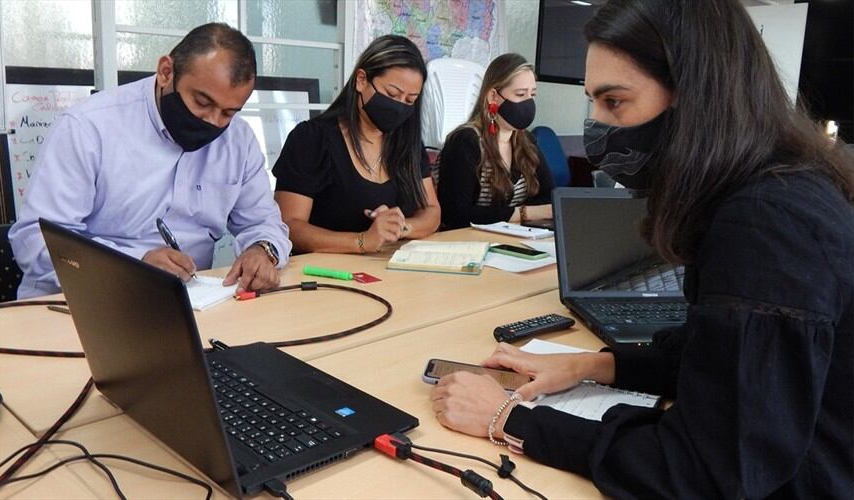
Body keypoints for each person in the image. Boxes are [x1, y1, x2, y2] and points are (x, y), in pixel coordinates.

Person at [430, 1, 854, 498]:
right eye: (592, 101)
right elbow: (725, 356)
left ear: (695, 97)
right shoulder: (776, 185)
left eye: (614, 102)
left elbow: (706, 471)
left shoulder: (767, 224)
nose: (596, 126)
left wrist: (510, 417)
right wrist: (596, 365)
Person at [9, 23, 291, 298]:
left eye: (229, 112)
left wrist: (263, 250)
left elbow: (264, 221)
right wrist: (136, 263)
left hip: (187, 304)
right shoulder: (88, 127)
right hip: (78, 302)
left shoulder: (238, 140)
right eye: (202, 103)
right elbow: (36, 241)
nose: (213, 122)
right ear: (166, 72)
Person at [273, 35, 440, 254]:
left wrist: (399, 227)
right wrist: (362, 241)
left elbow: (432, 211)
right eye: (392, 94)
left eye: (410, 101)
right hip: (327, 274)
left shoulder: (407, 141)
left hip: (393, 272)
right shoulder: (312, 138)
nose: (399, 107)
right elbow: (289, 226)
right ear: (361, 80)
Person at [436, 53, 554, 230]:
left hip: (512, 241)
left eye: (532, 94)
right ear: (493, 96)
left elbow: (549, 196)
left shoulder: (526, 140)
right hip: (466, 243)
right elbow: (456, 214)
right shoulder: (466, 141)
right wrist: (524, 213)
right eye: (520, 94)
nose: (528, 103)